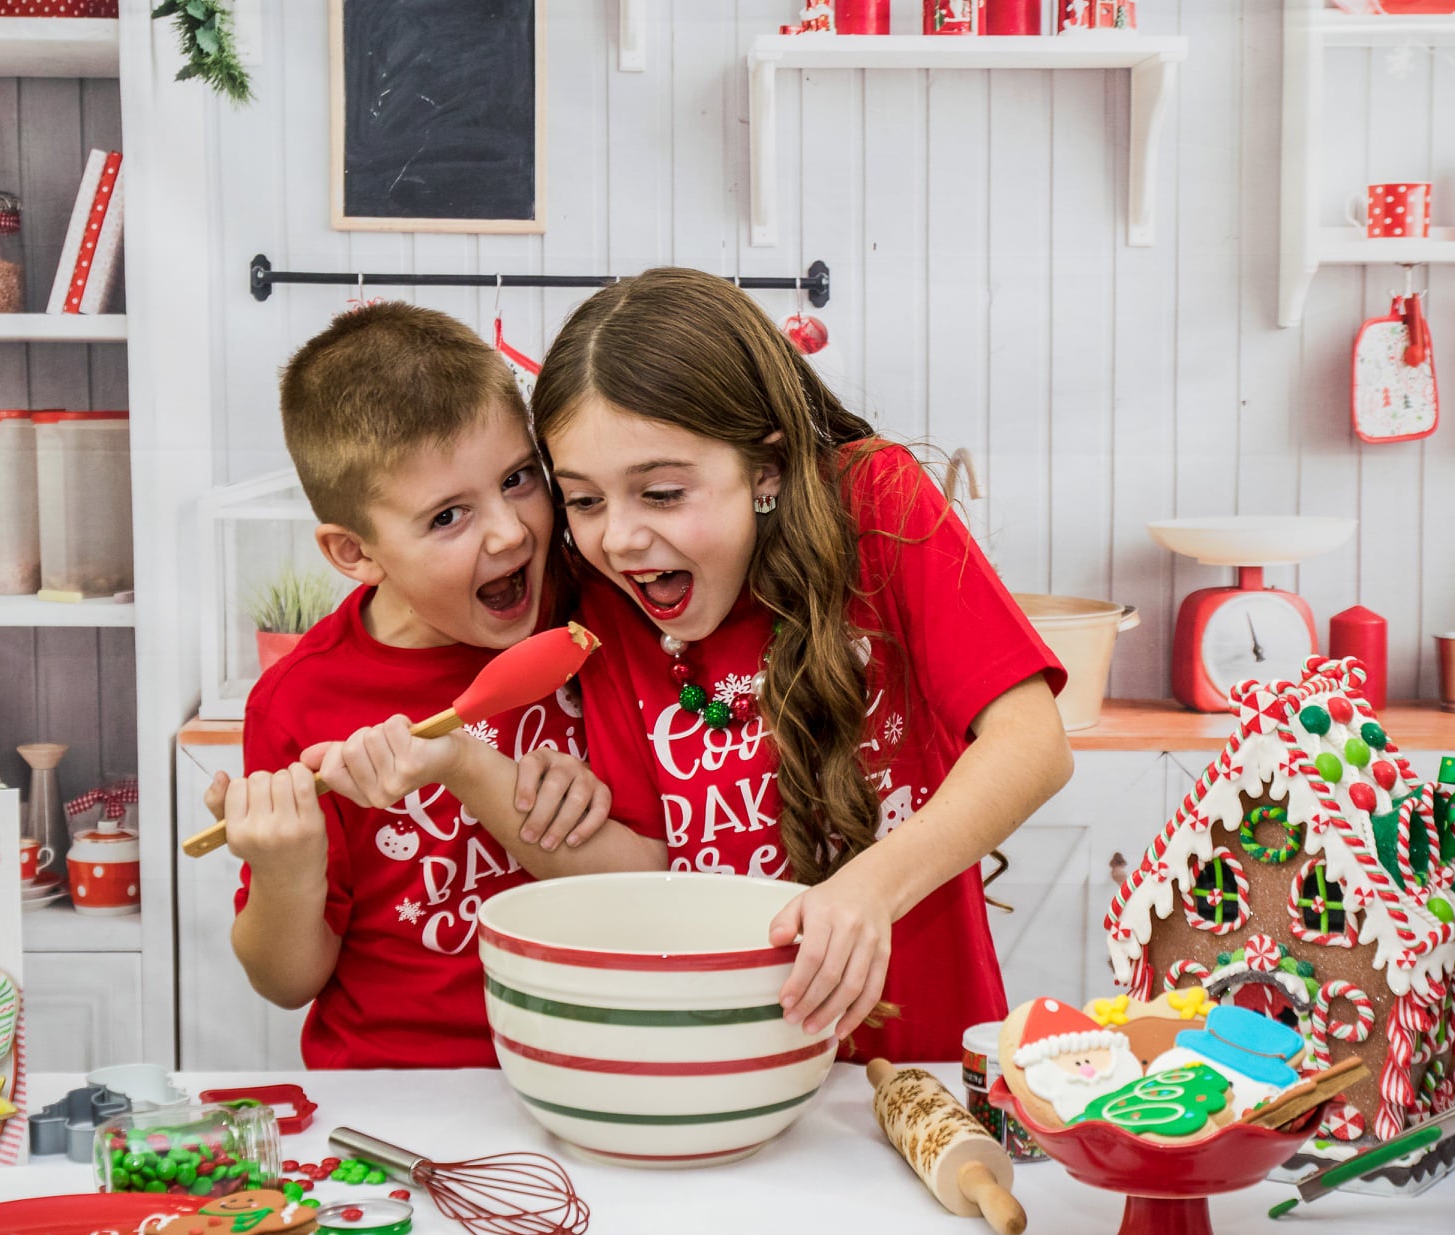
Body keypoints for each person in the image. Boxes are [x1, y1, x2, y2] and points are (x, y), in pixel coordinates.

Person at [318, 266, 1067, 1064]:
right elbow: (639, 868)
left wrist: (868, 887)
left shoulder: (875, 504)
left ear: (765, 468)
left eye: (662, 493)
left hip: (921, 1062)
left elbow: (1033, 744)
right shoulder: (607, 607)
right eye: (584, 500)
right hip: (728, 1069)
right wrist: (461, 763)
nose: (619, 539)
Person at [203, 301, 612, 1069]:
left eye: (519, 477)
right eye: (448, 515)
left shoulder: (596, 606)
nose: (510, 531)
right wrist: (287, 870)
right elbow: (287, 981)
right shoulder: (299, 702)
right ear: (354, 552)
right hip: (398, 1085)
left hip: (591, 1064)